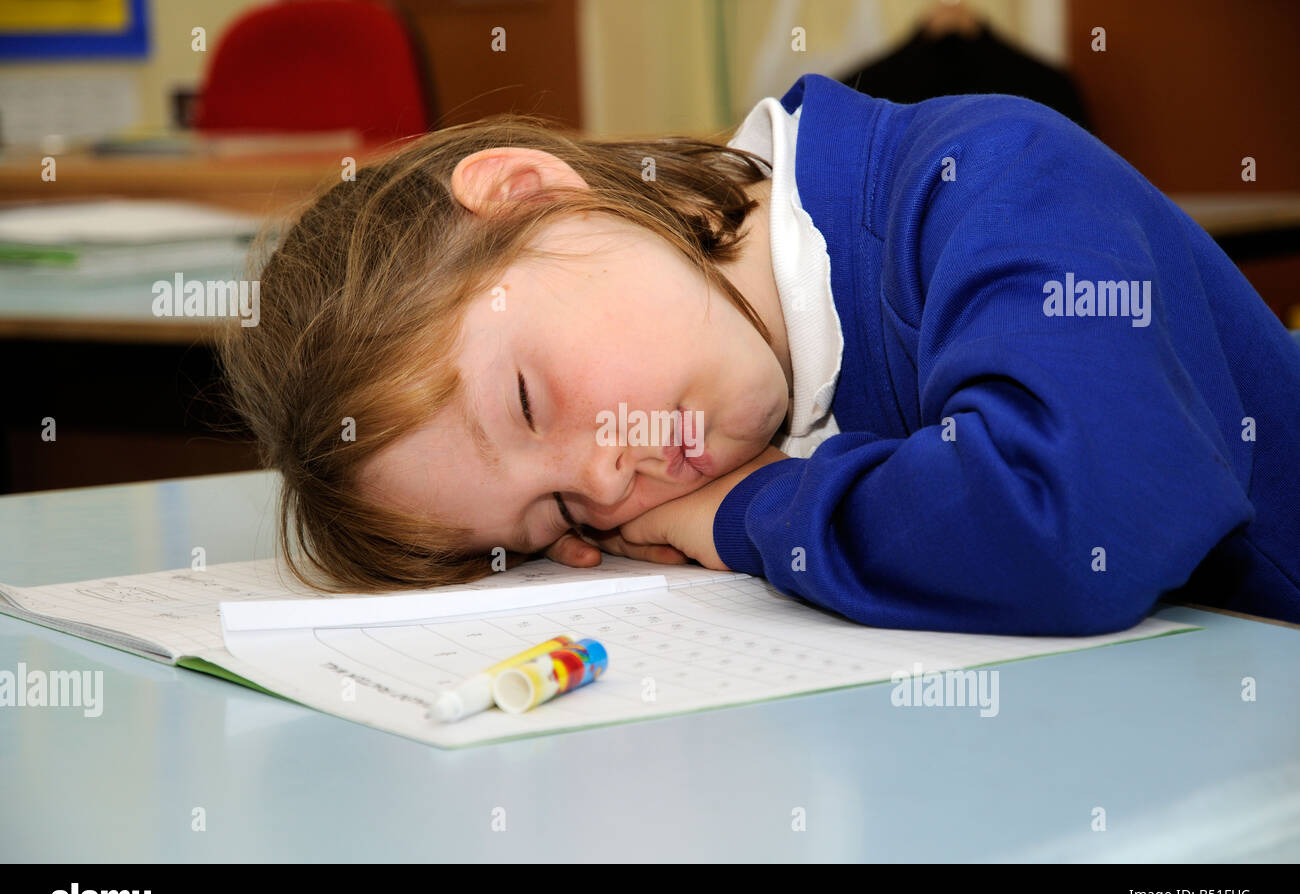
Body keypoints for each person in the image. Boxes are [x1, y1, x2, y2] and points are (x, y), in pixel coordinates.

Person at [217, 73, 1300, 635]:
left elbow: (1067, 517)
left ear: (531, 194)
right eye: (551, 516)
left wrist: (749, 509)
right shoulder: (727, 361)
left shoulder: (987, 180)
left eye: (528, 401)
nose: (604, 481)